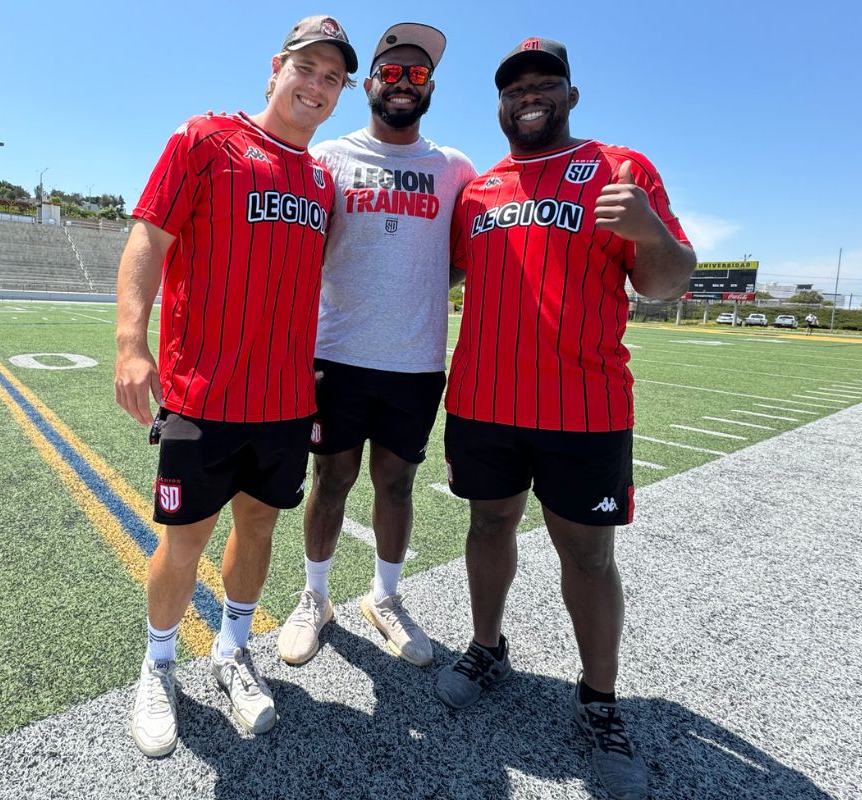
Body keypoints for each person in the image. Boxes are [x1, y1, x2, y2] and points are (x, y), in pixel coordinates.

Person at [433, 38, 695, 800]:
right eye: (516, 88)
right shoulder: (478, 191)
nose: (530, 95)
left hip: (584, 408)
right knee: (488, 526)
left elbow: (665, 281)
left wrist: (651, 230)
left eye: (546, 83)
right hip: (483, 403)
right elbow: (434, 270)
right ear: (501, 104)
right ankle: (488, 648)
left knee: (587, 557)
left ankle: (600, 701)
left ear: (571, 95)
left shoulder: (620, 170)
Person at [114, 15, 357, 758]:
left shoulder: (321, 180)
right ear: (275, 68)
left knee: (259, 529)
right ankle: (158, 667)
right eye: (306, 68)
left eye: (332, 77)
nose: (315, 86)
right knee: (183, 539)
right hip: (201, 397)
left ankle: (231, 651)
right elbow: (148, 237)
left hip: (285, 402)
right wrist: (131, 342)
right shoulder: (205, 140)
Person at [275, 23, 475, 668]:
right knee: (330, 480)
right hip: (335, 354)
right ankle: (315, 596)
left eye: (417, 75)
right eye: (391, 72)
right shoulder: (328, 157)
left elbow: (457, 260)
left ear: (432, 88)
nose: (402, 84)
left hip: (415, 362)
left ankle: (384, 597)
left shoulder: (454, 168)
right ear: (369, 82)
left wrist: (409, 285)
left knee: (397, 486)